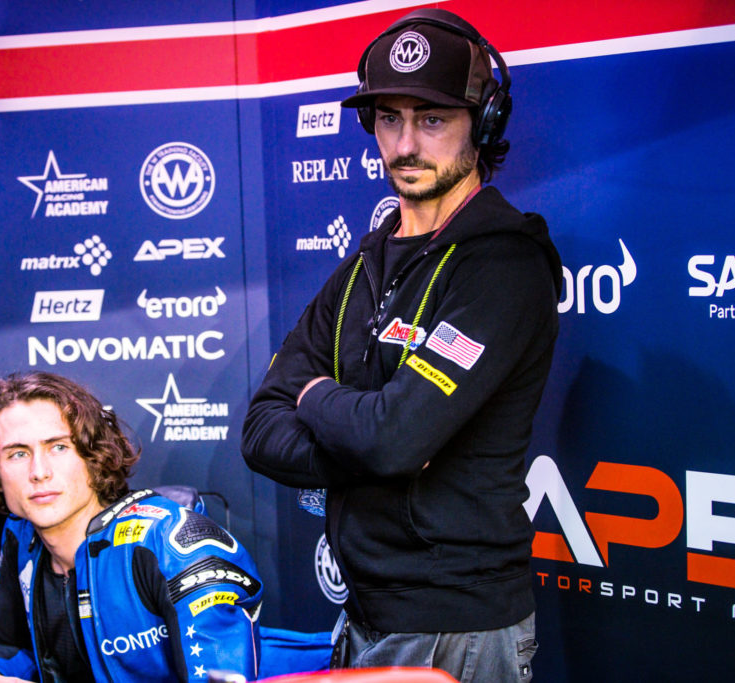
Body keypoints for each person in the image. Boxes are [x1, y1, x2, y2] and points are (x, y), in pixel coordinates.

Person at [241, 8, 562, 683]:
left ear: (485, 123)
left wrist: (318, 395)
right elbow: (261, 428)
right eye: (389, 118)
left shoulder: (502, 266)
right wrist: (375, 441)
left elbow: (391, 436)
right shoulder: (361, 267)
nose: (407, 143)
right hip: (362, 617)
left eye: (433, 119)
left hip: (459, 628)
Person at [0, 371, 329, 682]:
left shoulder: (176, 547)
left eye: (59, 447)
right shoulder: (21, 539)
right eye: (18, 454)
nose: (39, 472)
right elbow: (3, 648)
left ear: (93, 455)